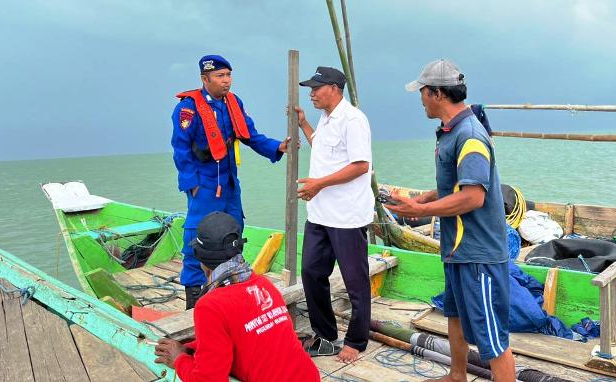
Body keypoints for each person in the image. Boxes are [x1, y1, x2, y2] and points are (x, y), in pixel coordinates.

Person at [386, 59, 516, 382]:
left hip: (479, 255)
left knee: (493, 340)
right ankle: (457, 375)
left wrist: (419, 212)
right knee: (454, 315)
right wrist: (421, 200)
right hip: (457, 250)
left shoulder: (470, 135)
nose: (420, 99)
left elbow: (474, 196)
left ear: (437, 94)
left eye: (422, 92)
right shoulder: (450, 132)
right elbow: (453, 182)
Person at [171, 54, 292, 309]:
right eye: (220, 76)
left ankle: (232, 293)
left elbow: (251, 136)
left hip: (229, 182)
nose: (226, 81)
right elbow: (180, 150)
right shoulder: (188, 109)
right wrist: (191, 184)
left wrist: (278, 147)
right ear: (205, 79)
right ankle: (194, 302)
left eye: (228, 75)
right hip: (203, 183)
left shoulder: (233, 103)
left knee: (234, 233)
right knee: (196, 238)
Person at [154, 211, 320, 382]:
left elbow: (209, 379)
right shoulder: (263, 284)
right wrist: (189, 347)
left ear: (201, 259)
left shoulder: (210, 306)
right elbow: (242, 333)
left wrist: (179, 359)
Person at [292, 66, 374, 363]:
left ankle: (356, 340)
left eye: (316, 87)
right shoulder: (326, 118)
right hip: (320, 214)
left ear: (335, 88)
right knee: (312, 273)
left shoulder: (353, 119)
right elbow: (324, 150)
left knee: (355, 282)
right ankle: (325, 335)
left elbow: (360, 165)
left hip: (346, 217)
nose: (311, 93)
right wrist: (304, 125)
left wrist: (318, 184)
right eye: (310, 88)